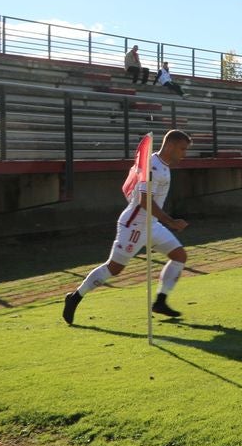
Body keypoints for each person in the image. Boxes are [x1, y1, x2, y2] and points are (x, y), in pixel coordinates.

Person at [63, 130, 194, 324]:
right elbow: (143, 200)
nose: (184, 154)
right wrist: (171, 221)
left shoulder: (164, 165)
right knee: (114, 268)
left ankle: (160, 301)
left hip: (152, 224)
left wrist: (163, 221)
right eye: (182, 149)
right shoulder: (152, 166)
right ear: (170, 146)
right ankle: (75, 297)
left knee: (179, 256)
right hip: (134, 225)